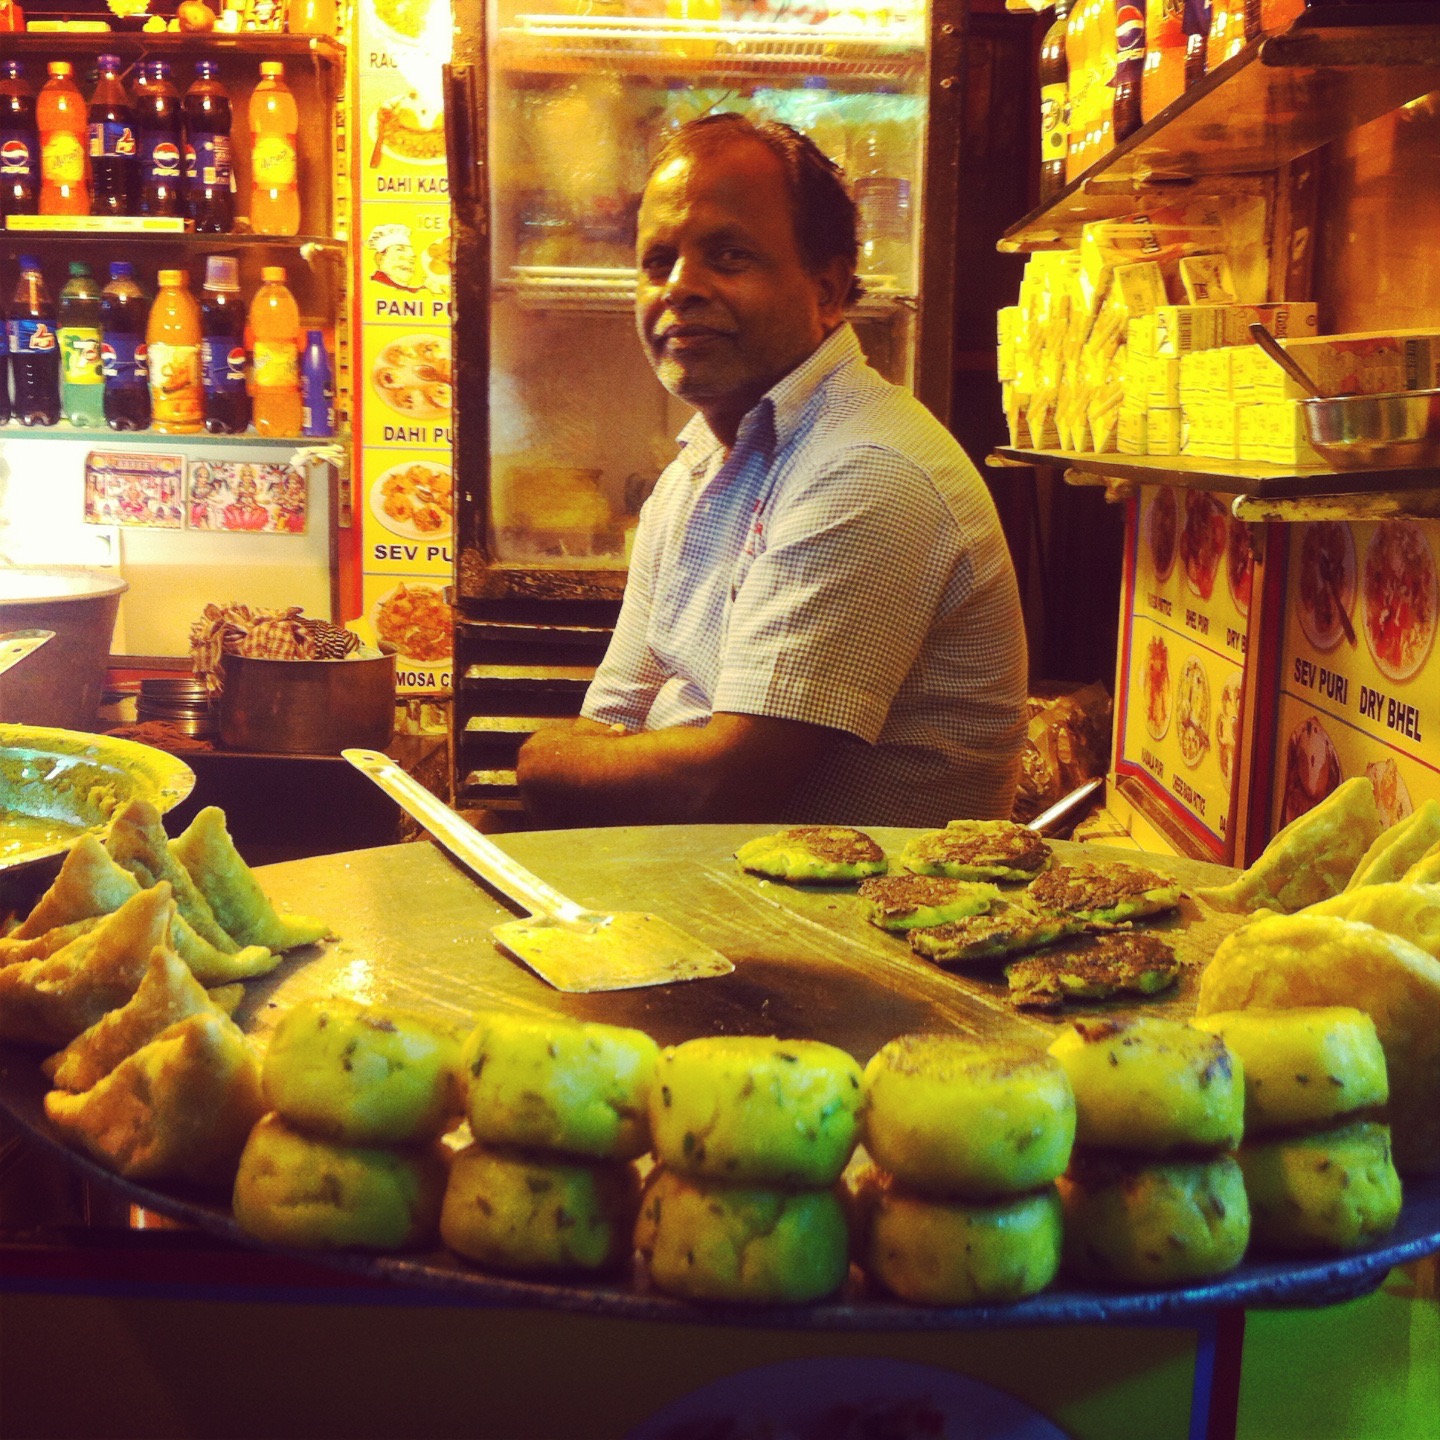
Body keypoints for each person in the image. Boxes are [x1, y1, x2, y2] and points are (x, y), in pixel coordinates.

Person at [516, 114, 1027, 828]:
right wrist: (578, 765)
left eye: (729, 257)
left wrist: (542, 757)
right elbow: (615, 716)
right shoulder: (695, 469)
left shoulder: (867, 470)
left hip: (847, 923)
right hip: (698, 886)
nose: (679, 288)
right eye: (658, 261)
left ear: (826, 290)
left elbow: (723, 784)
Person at [367, 223, 422, 292]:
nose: (411, 256)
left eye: (412, 260)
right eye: (400, 249)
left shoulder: (419, 293)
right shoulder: (373, 287)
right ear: (380, 259)